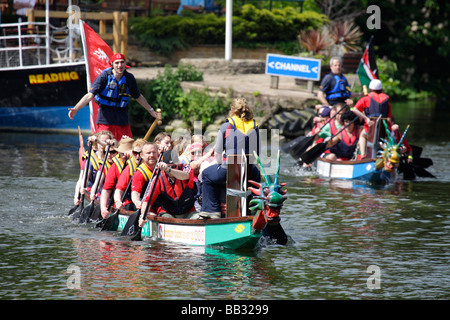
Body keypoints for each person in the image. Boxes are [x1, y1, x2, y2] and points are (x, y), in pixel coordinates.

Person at [68, 53, 159, 141]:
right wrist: (76, 109)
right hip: (105, 119)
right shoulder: (104, 77)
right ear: (112, 64)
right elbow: (90, 95)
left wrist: (151, 110)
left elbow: (138, 96)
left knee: (126, 146)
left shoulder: (129, 78)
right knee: (104, 144)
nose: (120, 65)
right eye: (117, 63)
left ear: (125, 63)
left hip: (122, 119)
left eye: (122, 62)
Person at [201, 98, 261, 214]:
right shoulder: (255, 126)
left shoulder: (225, 126)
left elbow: (218, 153)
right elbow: (257, 153)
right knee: (257, 174)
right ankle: (254, 208)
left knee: (206, 175)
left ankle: (212, 211)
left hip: (228, 171)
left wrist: (219, 164)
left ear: (232, 110)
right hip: (249, 171)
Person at [138, 149, 198, 226]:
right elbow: (148, 201)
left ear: (178, 163)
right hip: (168, 213)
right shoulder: (158, 178)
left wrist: (168, 169)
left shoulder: (186, 168)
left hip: (189, 213)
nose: (172, 169)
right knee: (166, 218)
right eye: (169, 167)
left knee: (199, 217)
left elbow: (186, 176)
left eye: (174, 166)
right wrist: (143, 215)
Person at [352, 79, 393, 159]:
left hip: (370, 128)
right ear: (381, 90)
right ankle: (387, 156)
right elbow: (389, 117)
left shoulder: (365, 99)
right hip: (383, 130)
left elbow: (355, 110)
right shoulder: (387, 102)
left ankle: (363, 154)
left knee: (362, 136)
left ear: (370, 89)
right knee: (388, 136)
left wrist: (366, 118)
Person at [99, 137, 135, 219]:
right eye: (121, 154)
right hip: (124, 202)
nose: (124, 156)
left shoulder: (141, 163)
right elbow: (106, 190)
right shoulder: (114, 167)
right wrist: (103, 208)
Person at [112, 138, 146, 212]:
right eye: (135, 153)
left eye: (140, 153)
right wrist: (118, 201)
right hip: (131, 204)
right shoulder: (129, 168)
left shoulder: (153, 165)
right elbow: (119, 190)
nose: (138, 156)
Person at [130, 142, 159, 210]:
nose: (151, 155)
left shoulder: (163, 167)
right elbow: (135, 192)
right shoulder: (140, 173)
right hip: (148, 208)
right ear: (142, 155)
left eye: (154, 152)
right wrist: (137, 201)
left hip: (163, 206)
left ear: (158, 154)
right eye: (148, 153)